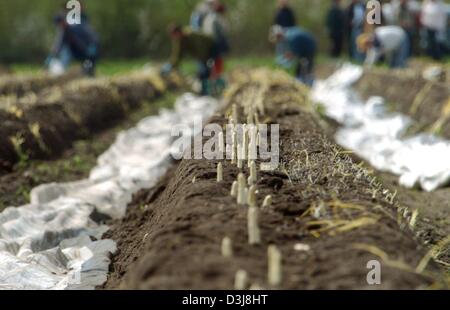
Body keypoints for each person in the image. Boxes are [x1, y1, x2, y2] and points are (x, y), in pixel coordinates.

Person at [162, 25, 217, 96]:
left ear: (179, 32)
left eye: (174, 34)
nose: (173, 37)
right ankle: (205, 91)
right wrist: (171, 64)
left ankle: (209, 91)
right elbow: (177, 55)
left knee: (206, 71)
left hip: (211, 48)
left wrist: (203, 60)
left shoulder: (191, 35)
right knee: (203, 72)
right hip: (200, 54)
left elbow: (201, 48)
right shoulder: (178, 39)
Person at [48, 9, 99, 76]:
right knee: (85, 67)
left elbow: (90, 36)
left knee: (89, 66)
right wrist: (51, 56)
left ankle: (90, 74)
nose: (59, 26)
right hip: (80, 52)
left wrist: (92, 46)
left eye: (60, 23)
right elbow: (60, 45)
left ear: (64, 21)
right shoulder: (65, 32)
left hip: (89, 48)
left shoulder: (76, 27)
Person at [202, 2, 230, 92]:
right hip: (215, 45)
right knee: (217, 66)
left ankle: (209, 88)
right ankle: (217, 87)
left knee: (210, 66)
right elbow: (220, 34)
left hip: (208, 45)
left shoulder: (208, 18)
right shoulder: (217, 19)